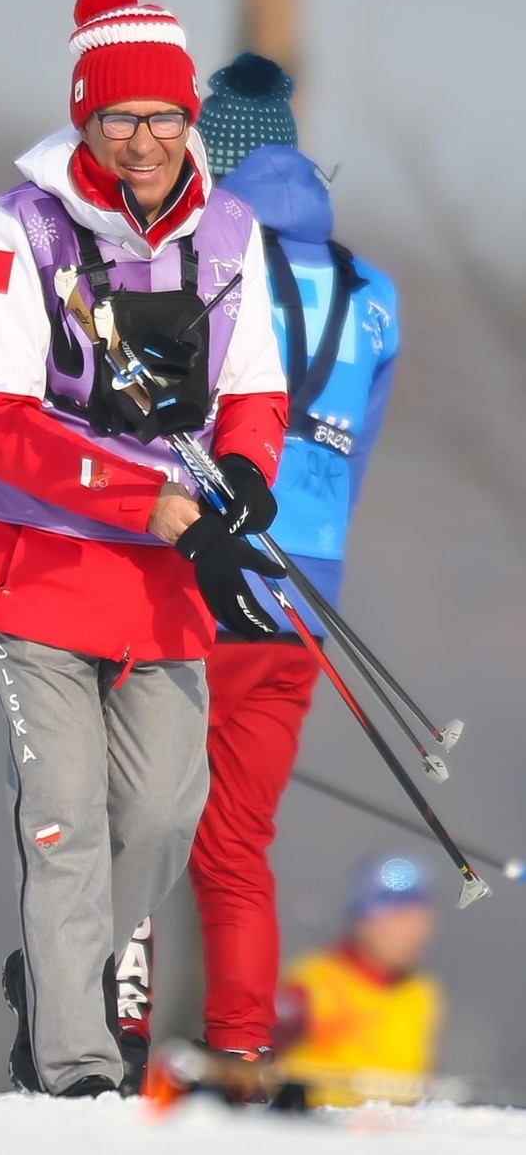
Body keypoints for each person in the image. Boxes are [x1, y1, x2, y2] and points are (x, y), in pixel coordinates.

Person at [0, 0, 288, 1097]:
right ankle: (78, 1071)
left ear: (193, 121)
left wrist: (243, 480)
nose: (144, 142)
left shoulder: (231, 233)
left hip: (166, 586)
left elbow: (255, 388)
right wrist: (143, 499)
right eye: (119, 119)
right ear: (84, 120)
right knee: (66, 821)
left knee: (158, 814)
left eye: (165, 118)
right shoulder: (13, 230)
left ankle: (56, 973)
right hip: (37, 574)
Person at [185, 53, 400, 1060]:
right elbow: (356, 463)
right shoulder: (375, 292)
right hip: (309, 594)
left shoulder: (202, 257)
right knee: (236, 846)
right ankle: (236, 1056)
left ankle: (109, 1035)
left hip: (193, 579)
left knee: (128, 821)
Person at [274, 854, 442, 1107]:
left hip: (395, 1142)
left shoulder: (420, 993)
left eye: (420, 918)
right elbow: (251, 1064)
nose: (417, 932)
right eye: (400, 917)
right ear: (364, 921)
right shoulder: (311, 984)